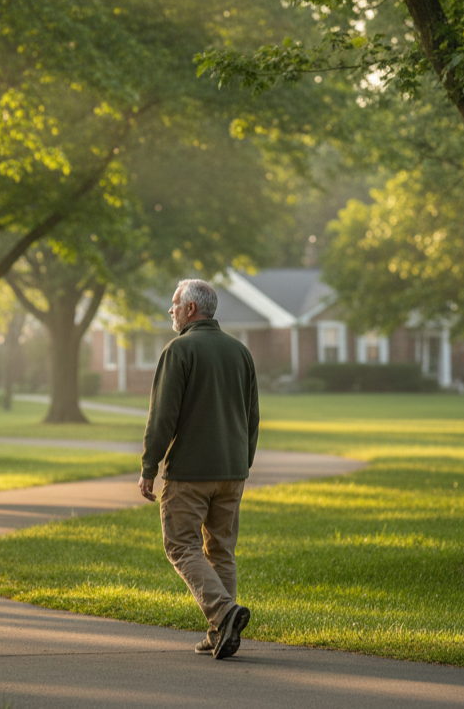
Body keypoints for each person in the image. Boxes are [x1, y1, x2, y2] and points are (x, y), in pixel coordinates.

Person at [139, 278, 259, 660]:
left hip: (190, 473)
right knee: (221, 550)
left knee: (181, 545)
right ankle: (220, 633)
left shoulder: (180, 350)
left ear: (191, 309)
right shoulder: (240, 352)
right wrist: (242, 462)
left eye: (174, 304)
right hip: (232, 470)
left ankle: (223, 614)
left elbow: (163, 417)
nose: (170, 310)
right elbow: (252, 417)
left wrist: (148, 465)